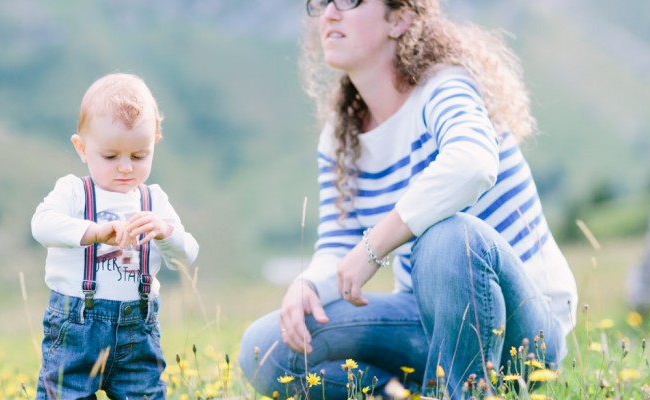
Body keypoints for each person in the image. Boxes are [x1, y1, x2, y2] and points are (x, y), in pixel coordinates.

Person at [238, 0, 577, 398]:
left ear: (399, 18)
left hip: (526, 333)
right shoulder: (339, 135)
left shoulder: (444, 88)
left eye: (348, 1)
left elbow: (472, 163)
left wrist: (375, 245)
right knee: (265, 348)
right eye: (321, 3)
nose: (329, 13)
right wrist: (307, 285)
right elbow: (338, 244)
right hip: (426, 325)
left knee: (450, 238)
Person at [31, 73, 199, 399]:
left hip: (139, 329)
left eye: (139, 156)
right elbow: (42, 224)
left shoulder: (153, 200)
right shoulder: (75, 192)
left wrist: (165, 232)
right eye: (110, 156)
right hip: (77, 327)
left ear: (155, 143)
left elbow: (186, 255)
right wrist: (93, 232)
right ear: (82, 148)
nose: (125, 168)